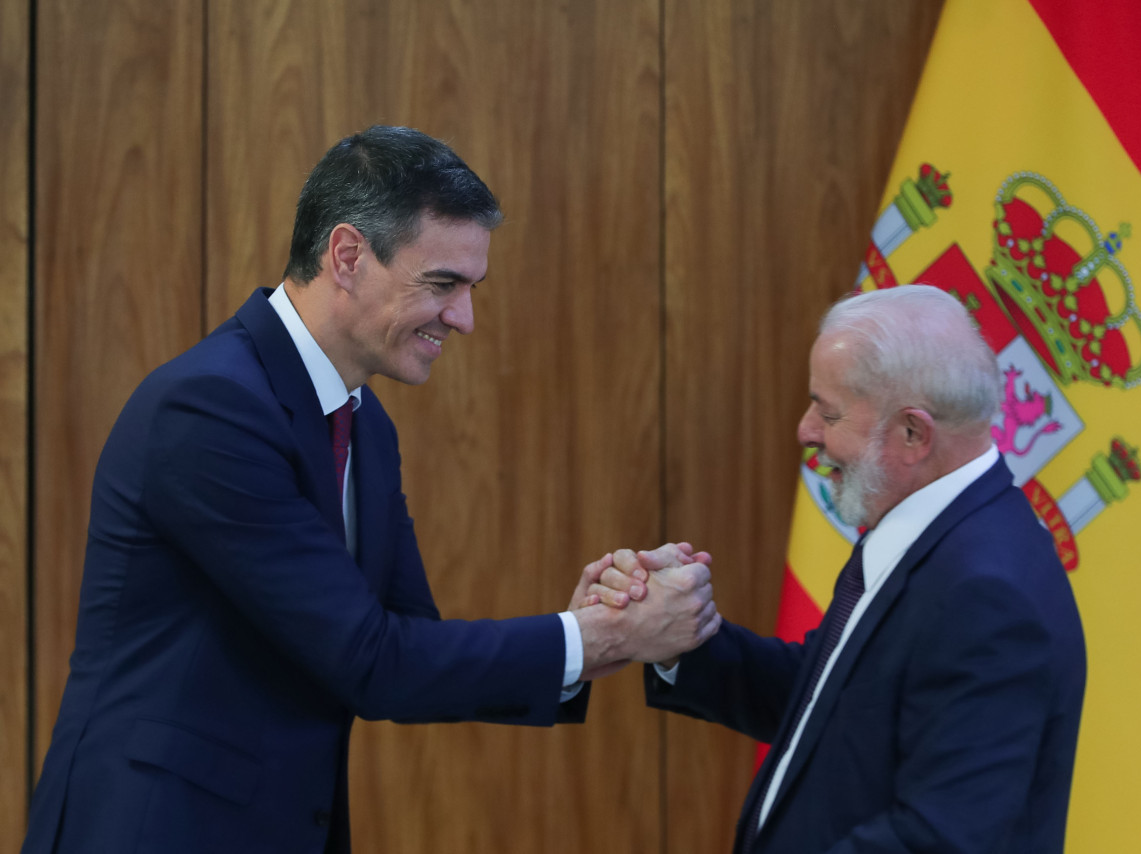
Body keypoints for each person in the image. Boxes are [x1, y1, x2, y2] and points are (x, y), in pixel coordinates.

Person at [23, 126, 720, 854]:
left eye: (471, 289)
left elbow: (409, 645)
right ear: (348, 255)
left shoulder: (366, 424)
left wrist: (596, 632)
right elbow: (371, 661)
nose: (465, 319)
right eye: (442, 284)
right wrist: (597, 635)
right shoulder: (209, 408)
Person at [597, 285, 1087, 852]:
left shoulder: (987, 595)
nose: (806, 429)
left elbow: (940, 839)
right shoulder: (937, 528)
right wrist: (680, 639)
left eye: (828, 412)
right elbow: (835, 699)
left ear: (913, 433)